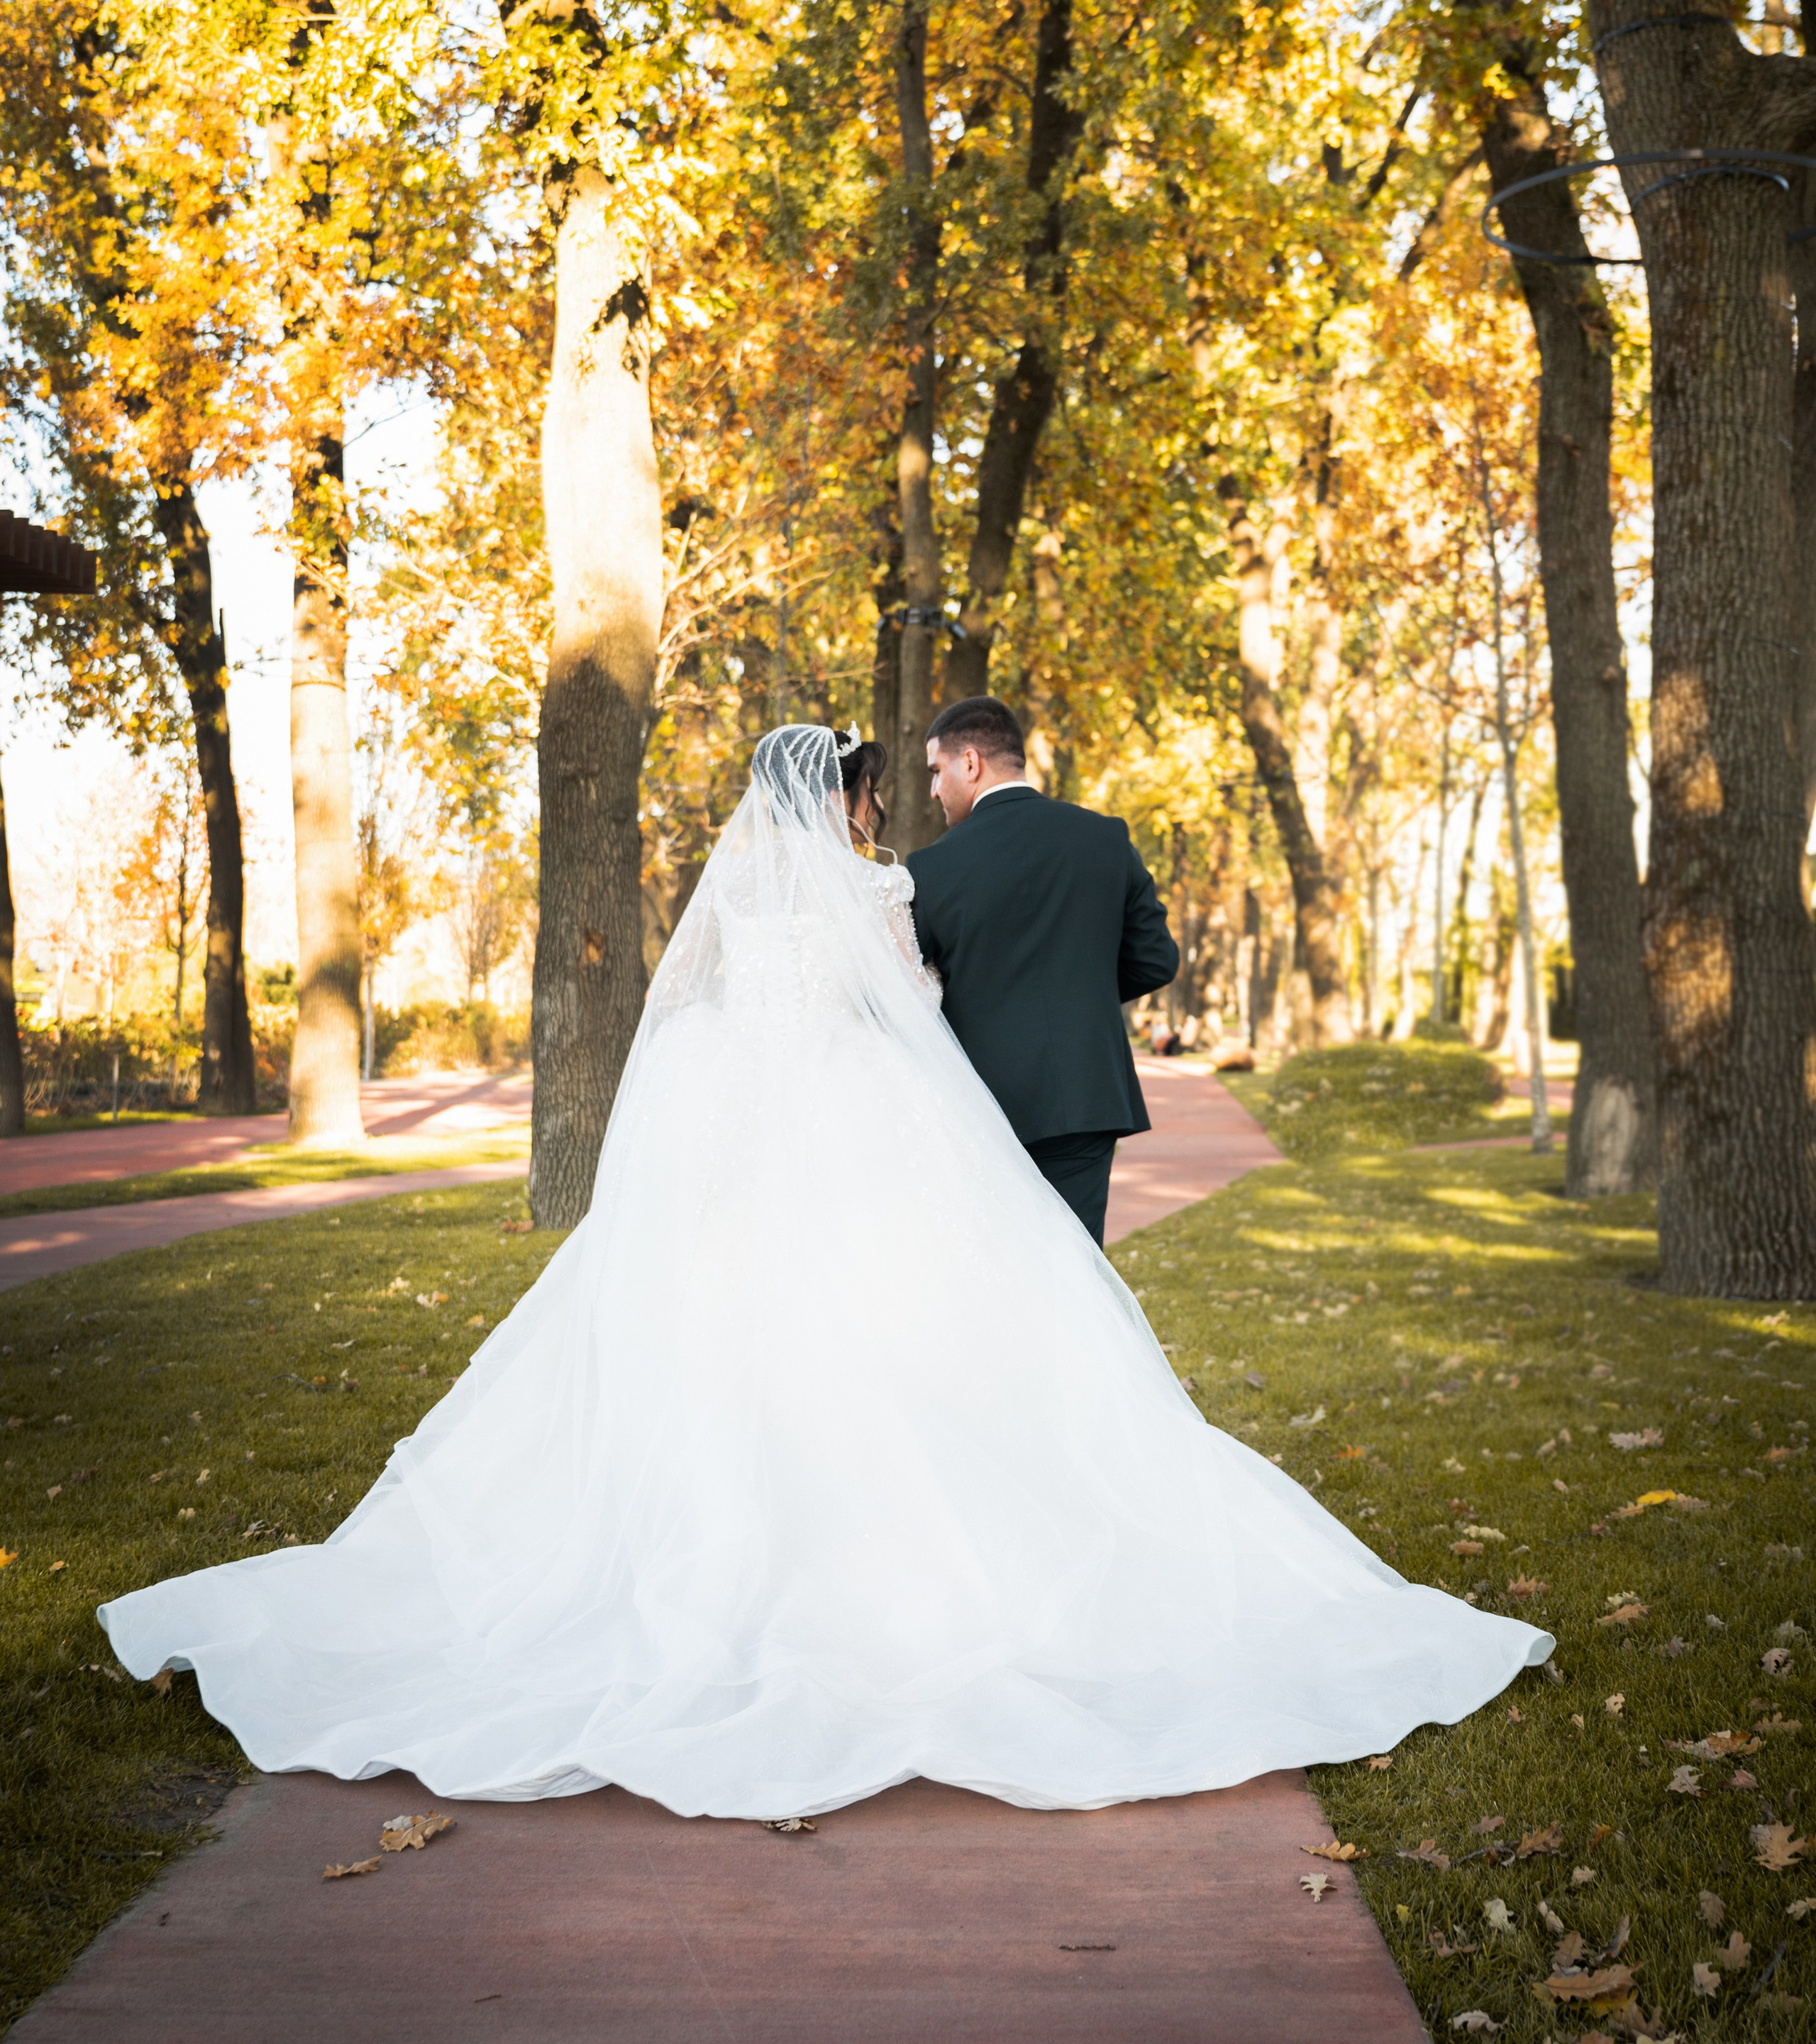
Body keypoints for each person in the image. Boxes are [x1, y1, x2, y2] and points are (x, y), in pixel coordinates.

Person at [100, 724, 1550, 1822]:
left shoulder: (730, 905)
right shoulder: (871, 892)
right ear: (846, 799)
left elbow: (691, 1024)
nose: (883, 806)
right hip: (863, 1119)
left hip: (739, 1128)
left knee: (730, 1329)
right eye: (870, 790)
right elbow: (914, 1013)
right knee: (925, 1326)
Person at [907, 695, 1178, 1246]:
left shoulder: (932, 868)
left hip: (981, 1101)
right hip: (1085, 1095)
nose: (933, 790)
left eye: (937, 771)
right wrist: (1083, 987)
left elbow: (911, 989)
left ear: (971, 763)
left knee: (1002, 1268)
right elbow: (1157, 959)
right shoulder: (1104, 838)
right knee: (1078, 1270)